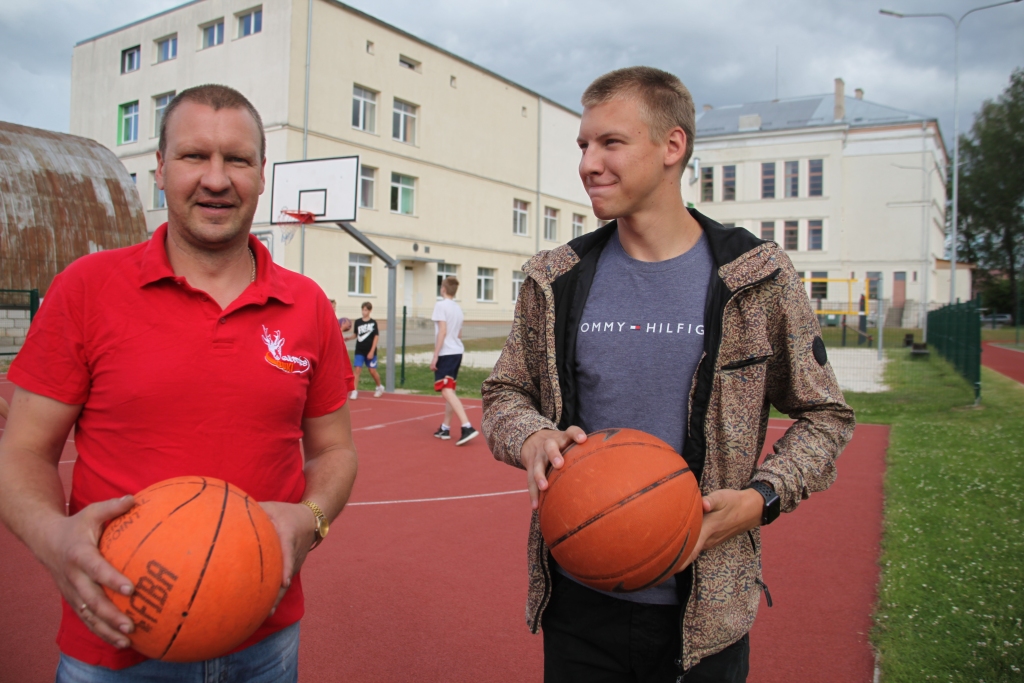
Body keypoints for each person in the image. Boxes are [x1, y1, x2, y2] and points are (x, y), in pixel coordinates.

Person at [482, 66, 855, 682]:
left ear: (672, 146)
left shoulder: (755, 275)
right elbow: (504, 394)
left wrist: (759, 500)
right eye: (583, 145)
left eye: (611, 143)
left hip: (707, 613)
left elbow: (826, 416)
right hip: (579, 601)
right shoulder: (555, 278)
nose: (589, 164)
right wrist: (531, 436)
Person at [0, 84, 358, 683]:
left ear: (262, 175)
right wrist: (51, 537)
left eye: (237, 159)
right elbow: (24, 451)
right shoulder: (86, 288)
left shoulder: (308, 305)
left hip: (263, 636)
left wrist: (312, 517)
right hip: (115, 640)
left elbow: (335, 450)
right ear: (160, 169)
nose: (216, 179)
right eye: (195, 156)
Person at [430, 276, 478, 446]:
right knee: (450, 389)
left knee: (446, 391)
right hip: (457, 351)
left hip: (447, 353)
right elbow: (459, 334)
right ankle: (445, 428)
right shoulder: (458, 309)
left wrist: (435, 355)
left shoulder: (440, 305)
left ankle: (467, 426)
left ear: (443, 289)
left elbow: (442, 331)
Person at [347, 301, 384, 399]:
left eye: (366, 310)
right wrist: (348, 338)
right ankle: (354, 391)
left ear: (370, 311)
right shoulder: (358, 322)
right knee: (357, 370)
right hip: (359, 350)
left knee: (372, 371)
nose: (364, 312)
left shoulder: (373, 323)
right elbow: (356, 334)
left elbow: (376, 337)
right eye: (363, 310)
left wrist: (372, 351)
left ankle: (379, 387)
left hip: (370, 350)